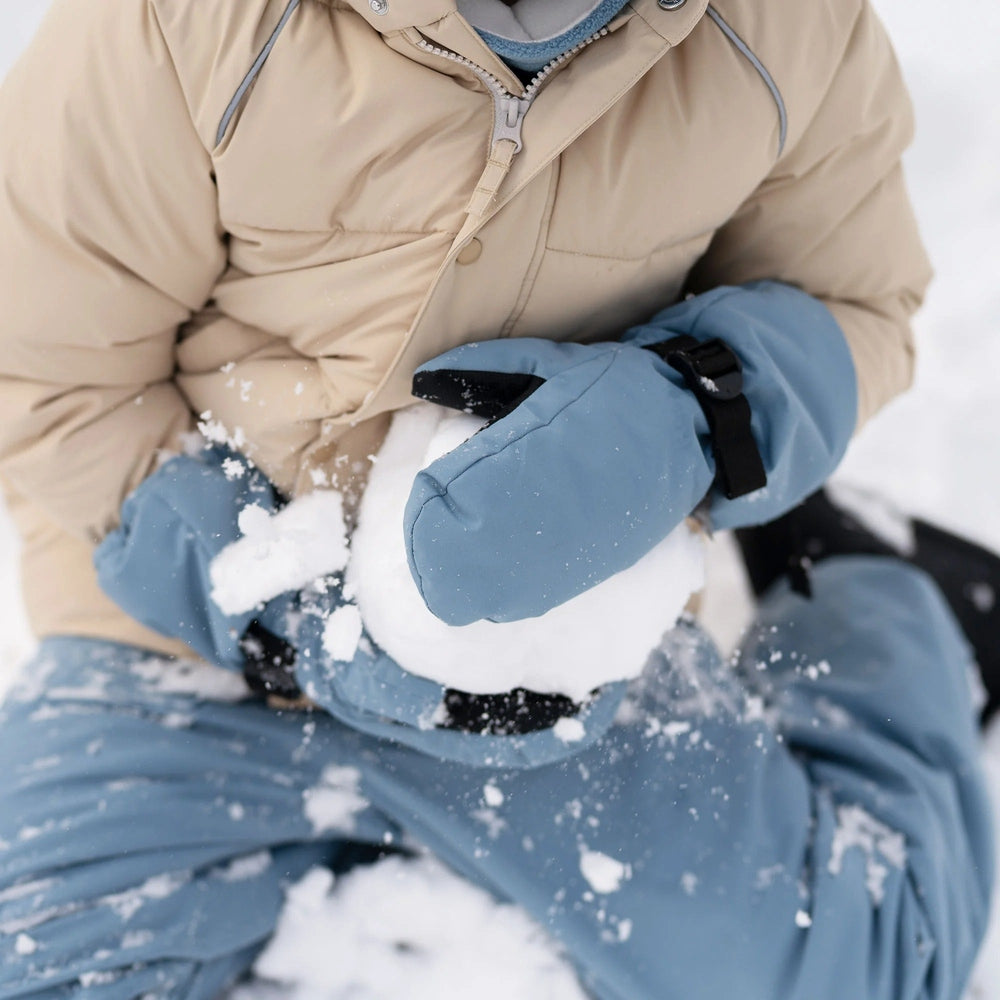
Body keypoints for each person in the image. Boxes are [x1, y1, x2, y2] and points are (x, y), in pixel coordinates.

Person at [0, 0, 992, 997]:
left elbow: (855, 303)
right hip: (179, 631)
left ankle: (881, 589)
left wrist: (700, 412)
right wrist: (278, 612)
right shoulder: (177, 23)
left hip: (556, 658)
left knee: (860, 974)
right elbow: (46, 370)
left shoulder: (784, 27)